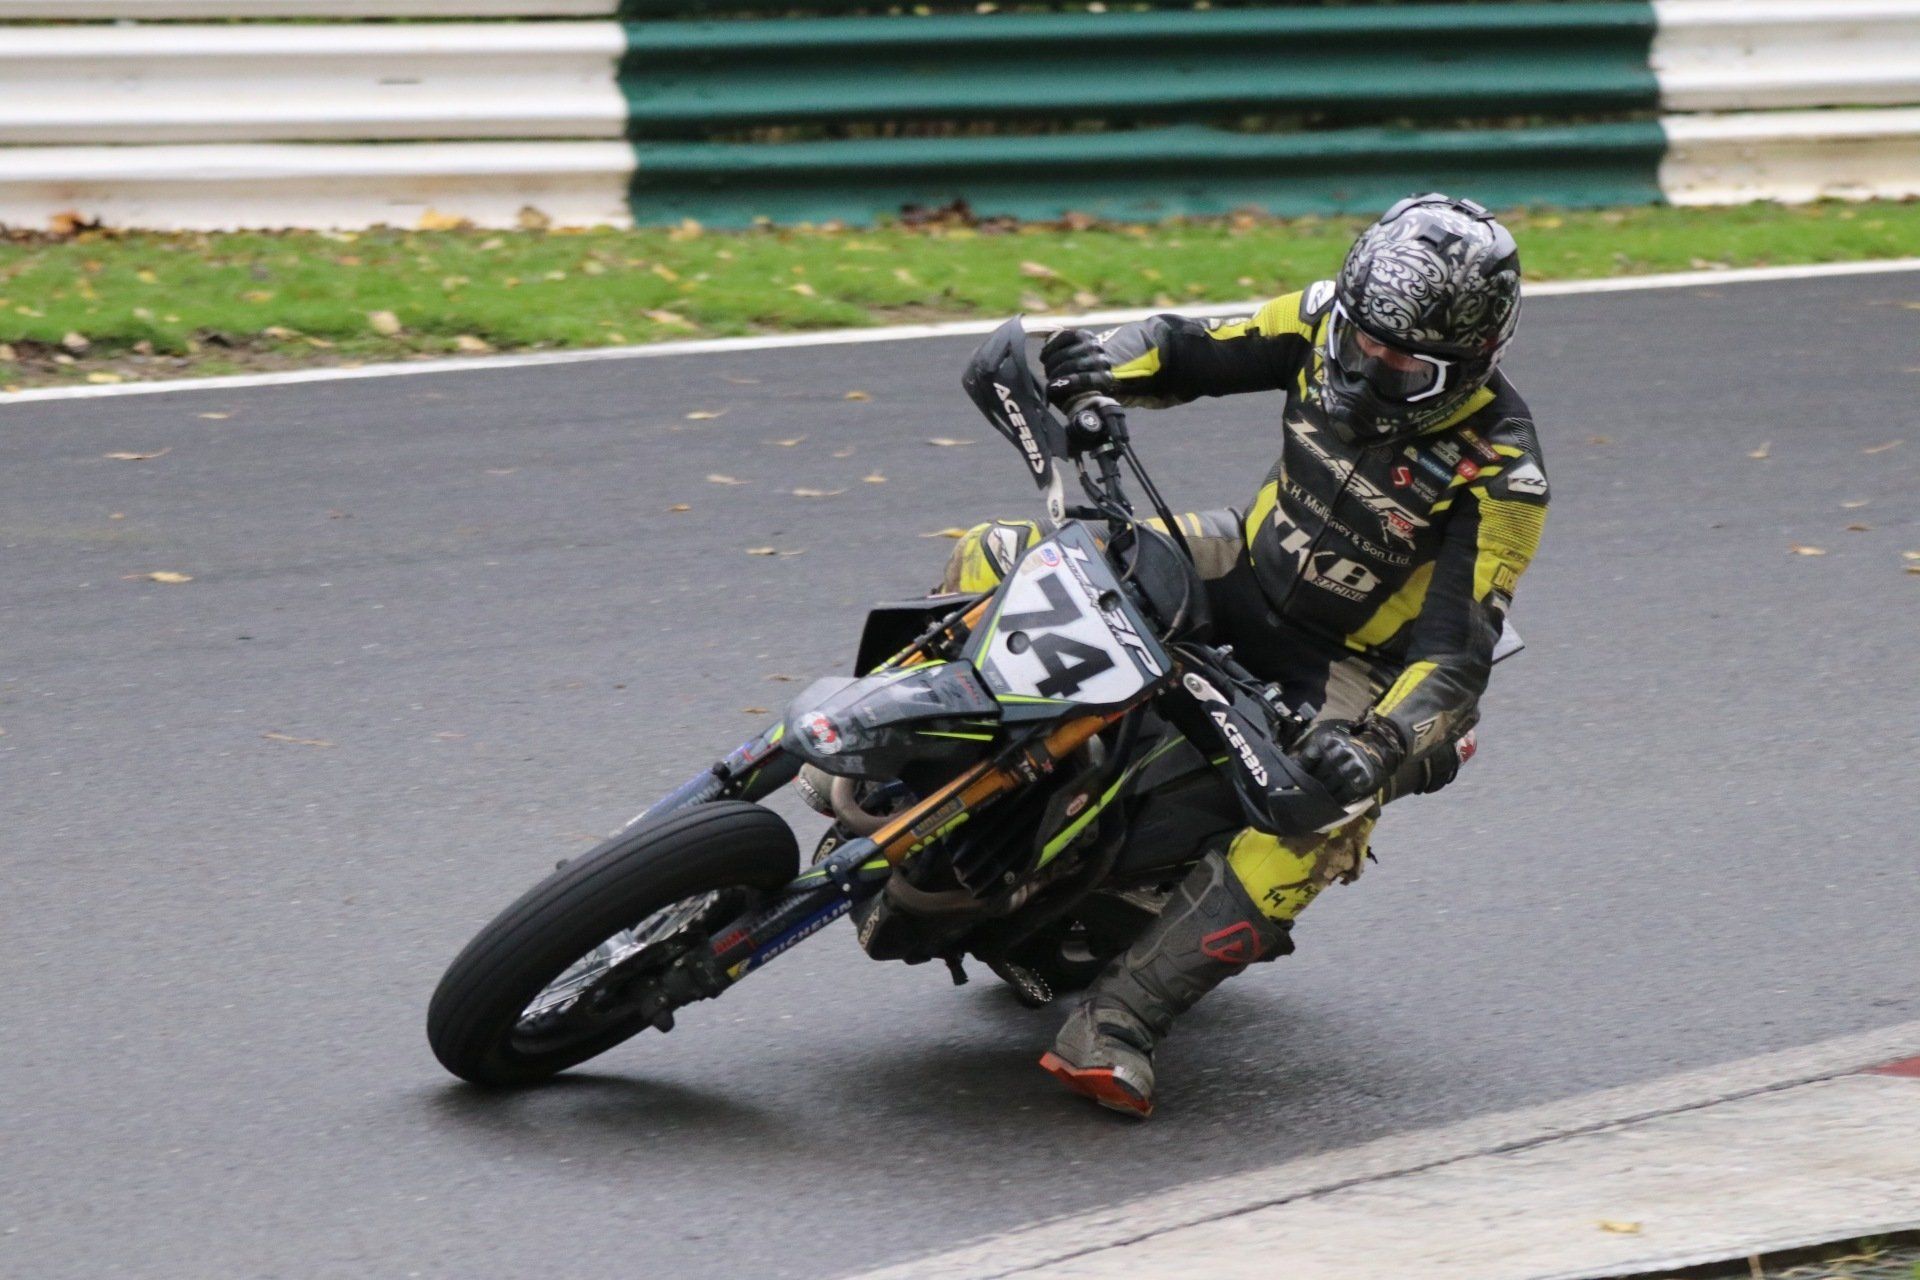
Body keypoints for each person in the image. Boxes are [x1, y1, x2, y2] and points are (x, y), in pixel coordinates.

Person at [937, 193, 1549, 1117]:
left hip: (1346, 665)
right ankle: (922, 735)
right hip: (1236, 559)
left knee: (1326, 819)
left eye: (1405, 365)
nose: (1370, 366)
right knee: (998, 551)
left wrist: (1379, 747)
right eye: (1361, 340)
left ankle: (1121, 1021)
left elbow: (1457, 658)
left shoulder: (1504, 472)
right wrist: (1092, 366)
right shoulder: (1318, 318)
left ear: (1472, 365)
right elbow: (1184, 347)